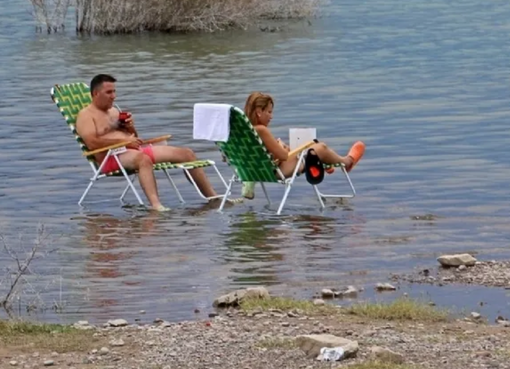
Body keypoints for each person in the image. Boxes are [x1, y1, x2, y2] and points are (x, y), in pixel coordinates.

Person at [76, 74, 239, 211]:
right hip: (109, 157)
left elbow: (133, 136)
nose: (114, 96)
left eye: (114, 91)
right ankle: (156, 205)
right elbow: (92, 142)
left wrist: (130, 128)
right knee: (142, 159)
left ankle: (213, 198)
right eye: (109, 92)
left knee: (187, 154)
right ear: (96, 93)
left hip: (132, 149)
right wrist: (122, 142)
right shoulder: (86, 115)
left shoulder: (113, 111)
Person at [241, 92, 365, 198]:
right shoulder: (261, 130)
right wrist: (280, 146)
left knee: (309, 147)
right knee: (320, 147)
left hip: (256, 172)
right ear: (258, 112)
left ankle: (323, 163)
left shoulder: (243, 132)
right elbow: (283, 156)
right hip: (278, 171)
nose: (271, 116)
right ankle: (347, 161)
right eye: (269, 112)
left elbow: (232, 157)